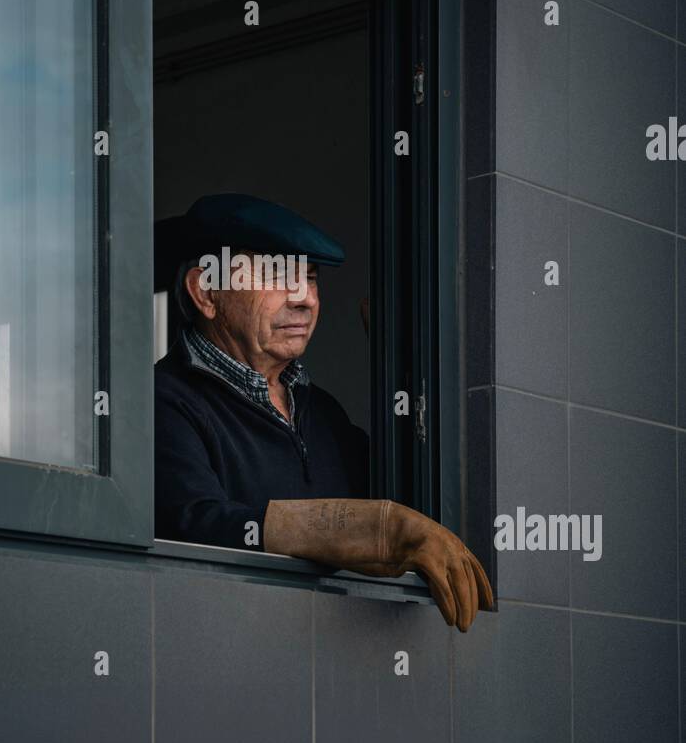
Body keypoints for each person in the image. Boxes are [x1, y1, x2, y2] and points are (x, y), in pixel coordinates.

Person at [154, 193, 492, 631]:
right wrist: (373, 529)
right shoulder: (163, 401)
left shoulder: (324, 413)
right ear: (207, 292)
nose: (305, 299)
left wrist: (400, 365)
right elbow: (199, 526)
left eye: (310, 278)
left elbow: (410, 502)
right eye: (278, 275)